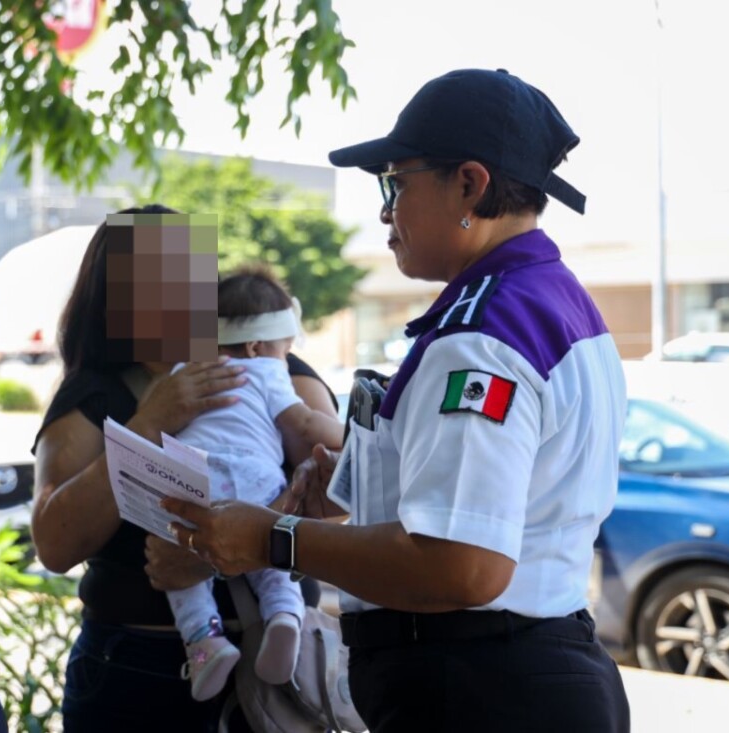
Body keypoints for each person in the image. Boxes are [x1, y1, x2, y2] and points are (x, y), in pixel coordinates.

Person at [163, 68, 631, 733]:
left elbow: (460, 566)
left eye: (396, 183)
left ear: (469, 183)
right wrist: (357, 498)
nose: (385, 213)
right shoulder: (552, 301)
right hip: (519, 671)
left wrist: (274, 537)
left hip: (479, 692)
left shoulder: (480, 336)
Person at [31, 205, 340, 732]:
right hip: (137, 673)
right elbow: (55, 545)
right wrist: (149, 423)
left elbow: (336, 508)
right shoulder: (94, 394)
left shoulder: (274, 369)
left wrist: (219, 554)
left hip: (275, 663)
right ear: (112, 298)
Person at [165, 268, 345, 702]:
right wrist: (352, 437)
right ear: (256, 346)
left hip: (193, 475)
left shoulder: (184, 370)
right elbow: (303, 425)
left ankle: (204, 641)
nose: (286, 357)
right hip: (254, 478)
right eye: (285, 350)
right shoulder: (267, 371)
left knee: (177, 558)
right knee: (270, 542)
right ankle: (285, 616)